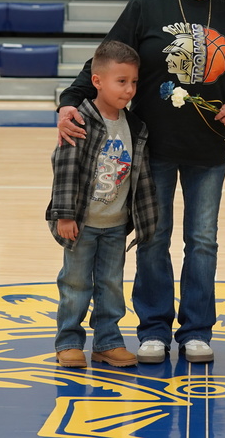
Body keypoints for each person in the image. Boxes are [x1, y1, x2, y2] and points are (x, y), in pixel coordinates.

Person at [57, 0, 225, 365]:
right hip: (151, 147)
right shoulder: (147, 4)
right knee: (153, 237)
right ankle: (154, 329)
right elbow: (106, 58)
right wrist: (70, 99)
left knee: (203, 240)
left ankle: (197, 330)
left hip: (208, 147)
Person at [47, 39, 159, 369]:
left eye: (134, 82)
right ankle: (68, 340)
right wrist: (64, 215)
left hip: (114, 225)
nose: (129, 89)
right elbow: (65, 169)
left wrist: (143, 220)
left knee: (110, 286)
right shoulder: (79, 121)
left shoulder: (135, 127)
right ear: (97, 81)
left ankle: (107, 341)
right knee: (76, 283)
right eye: (121, 81)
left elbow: (140, 179)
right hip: (80, 224)